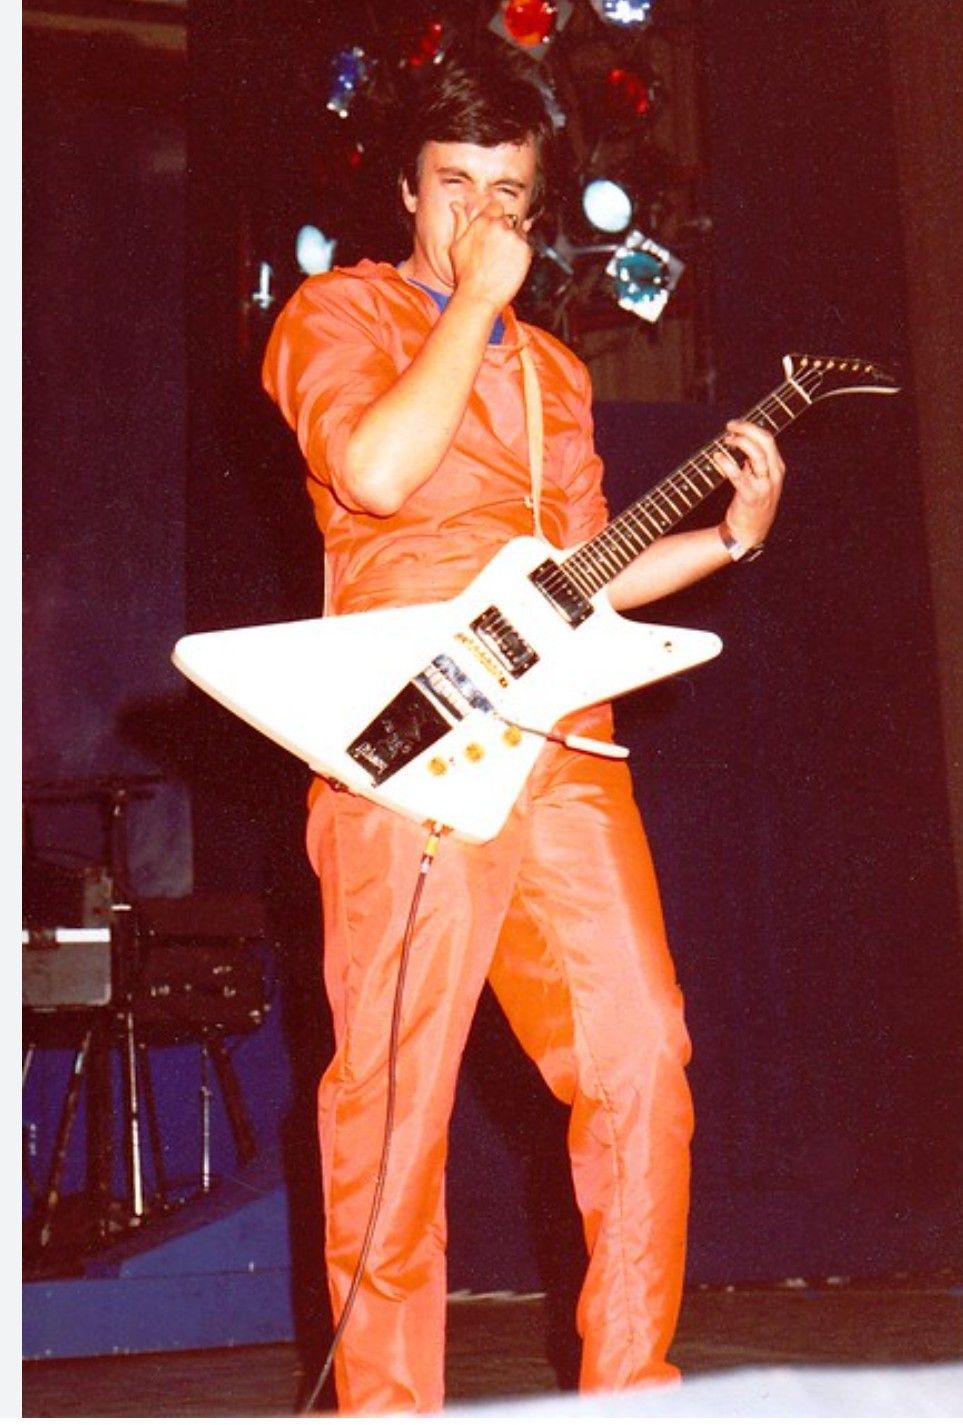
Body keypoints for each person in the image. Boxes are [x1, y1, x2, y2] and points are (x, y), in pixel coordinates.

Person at [262, 52, 785, 1417]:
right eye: (457, 192)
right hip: (407, 736)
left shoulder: (556, 371)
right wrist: (469, 309)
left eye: (512, 197)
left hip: (558, 740)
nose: (486, 224)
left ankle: (632, 1388)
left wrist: (724, 539)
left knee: (639, 1063)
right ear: (404, 190)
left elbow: (580, 570)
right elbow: (375, 471)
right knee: (395, 1109)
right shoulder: (338, 312)